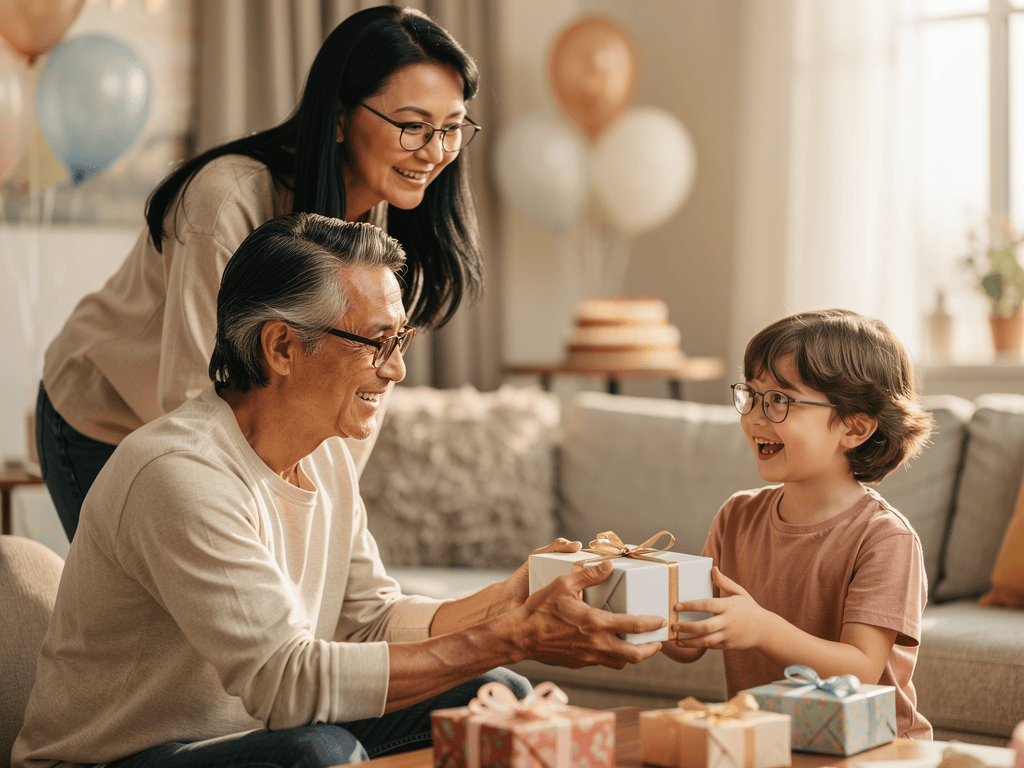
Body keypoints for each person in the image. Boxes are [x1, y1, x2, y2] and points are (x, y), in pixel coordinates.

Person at [13, 213, 667, 768]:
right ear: (281, 347)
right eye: (378, 343)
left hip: (249, 737)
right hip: (117, 759)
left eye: (400, 339)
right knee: (317, 752)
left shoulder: (325, 455)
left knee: (498, 693)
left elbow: (368, 621)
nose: (398, 368)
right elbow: (288, 684)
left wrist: (504, 602)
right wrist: (510, 635)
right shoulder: (179, 473)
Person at [36, 5, 486, 542]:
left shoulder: (381, 221)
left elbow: (357, 394)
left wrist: (322, 527)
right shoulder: (225, 201)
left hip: (205, 431)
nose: (435, 152)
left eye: (452, 128)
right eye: (413, 126)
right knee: (161, 594)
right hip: (105, 417)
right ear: (340, 117)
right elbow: (194, 395)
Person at [662, 309, 936, 740]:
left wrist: (761, 629)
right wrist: (629, 605)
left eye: (779, 400)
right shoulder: (737, 516)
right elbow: (687, 642)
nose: (755, 417)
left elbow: (862, 670)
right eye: (751, 395)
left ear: (855, 427)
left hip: (874, 750)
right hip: (767, 743)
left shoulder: (886, 539)